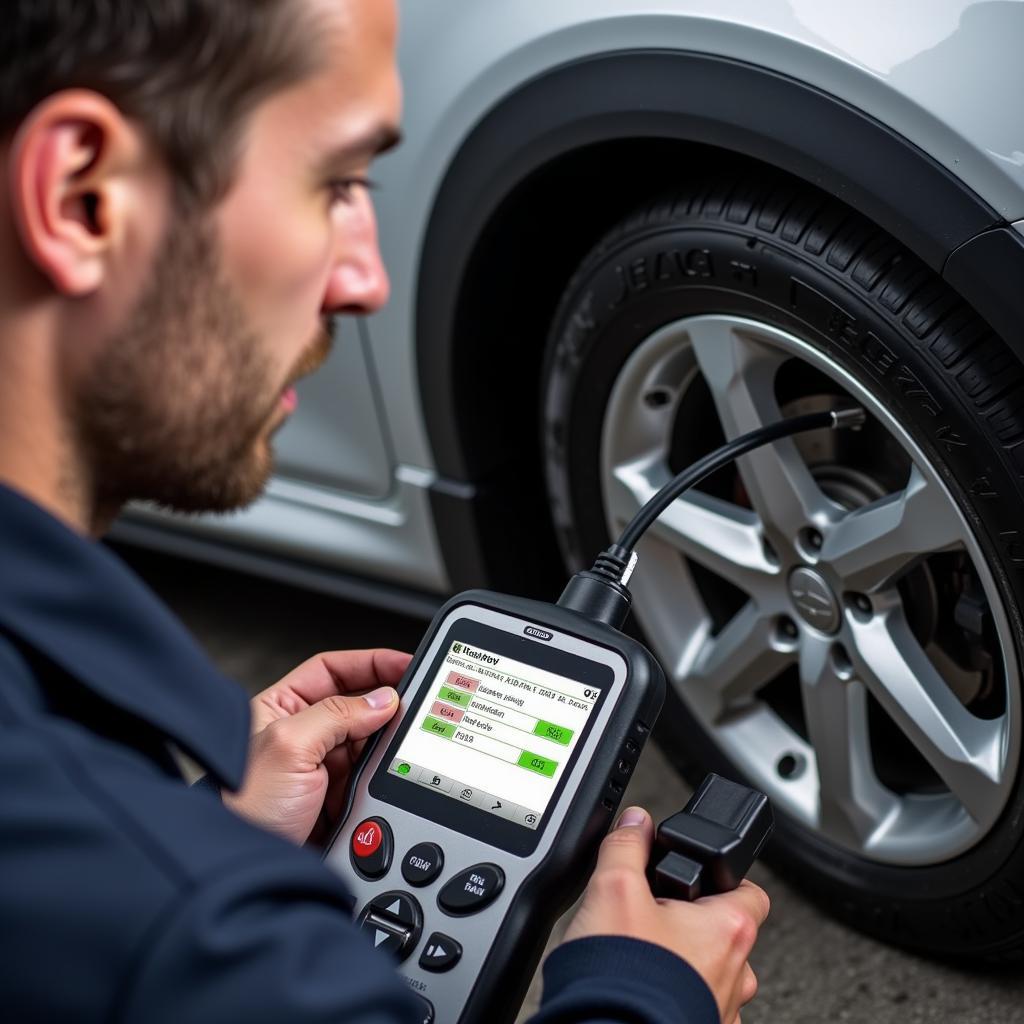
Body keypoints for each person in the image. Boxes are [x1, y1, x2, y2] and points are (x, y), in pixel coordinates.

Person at [0, 1, 769, 1021]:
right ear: (82, 197)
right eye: (335, 184)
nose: (366, 281)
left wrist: (200, 830)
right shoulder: (186, 932)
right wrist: (643, 992)